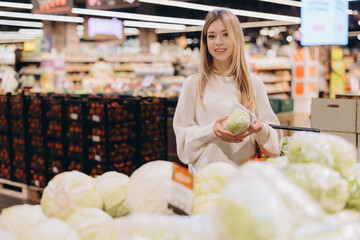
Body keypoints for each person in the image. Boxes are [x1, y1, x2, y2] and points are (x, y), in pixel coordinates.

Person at [173, 9, 283, 173]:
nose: (218, 42)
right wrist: (212, 131)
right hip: (205, 181)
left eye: (225, 34)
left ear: (236, 38)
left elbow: (275, 147)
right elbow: (182, 147)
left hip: (243, 184)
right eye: (211, 36)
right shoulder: (193, 84)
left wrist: (261, 129)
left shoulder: (253, 84)